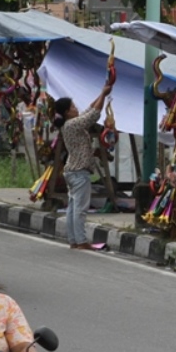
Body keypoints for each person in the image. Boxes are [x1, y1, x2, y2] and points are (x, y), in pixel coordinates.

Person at [52, 82, 112, 249]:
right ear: (66, 112)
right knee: (80, 208)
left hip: (72, 171)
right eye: (72, 106)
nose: (75, 108)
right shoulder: (73, 124)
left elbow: (88, 110)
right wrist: (104, 94)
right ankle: (81, 240)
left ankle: (74, 240)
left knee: (73, 207)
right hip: (79, 172)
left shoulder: (69, 124)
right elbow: (93, 115)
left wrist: (102, 94)